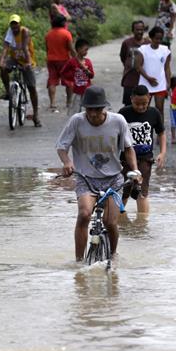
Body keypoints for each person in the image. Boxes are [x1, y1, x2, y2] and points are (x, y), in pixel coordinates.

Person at [56, 86, 141, 262]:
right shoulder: (76, 121)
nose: (93, 114)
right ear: (85, 108)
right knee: (85, 214)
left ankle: (113, 254)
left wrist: (135, 170)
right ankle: (79, 261)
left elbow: (128, 148)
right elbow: (62, 147)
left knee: (110, 222)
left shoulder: (118, 121)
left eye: (97, 109)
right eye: (89, 109)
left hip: (113, 179)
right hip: (85, 178)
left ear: (105, 108)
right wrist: (67, 162)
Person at [119, 85, 166, 214]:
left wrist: (162, 153)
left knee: (142, 191)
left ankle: (142, 225)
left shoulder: (154, 113)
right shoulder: (123, 113)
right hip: (125, 159)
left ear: (149, 99)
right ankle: (117, 221)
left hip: (145, 158)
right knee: (125, 190)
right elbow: (115, 135)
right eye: (137, 104)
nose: (140, 107)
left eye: (144, 103)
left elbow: (161, 133)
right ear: (131, 99)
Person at [0, 14, 40, 126]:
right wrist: (2, 61)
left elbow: (25, 48)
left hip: (26, 59)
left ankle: (36, 115)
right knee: (3, 68)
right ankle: (8, 92)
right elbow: (5, 48)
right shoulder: (9, 34)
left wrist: (28, 63)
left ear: (19, 24)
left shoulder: (24, 32)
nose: (14, 27)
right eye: (12, 25)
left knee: (31, 87)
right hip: (15, 59)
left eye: (16, 24)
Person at [134, 26, 172, 125]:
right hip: (145, 84)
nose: (159, 41)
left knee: (160, 109)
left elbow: (167, 68)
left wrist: (168, 83)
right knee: (144, 108)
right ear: (151, 37)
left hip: (160, 84)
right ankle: (144, 129)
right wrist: (148, 78)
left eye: (161, 38)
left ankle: (160, 132)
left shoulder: (165, 50)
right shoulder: (142, 50)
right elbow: (138, 66)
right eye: (156, 38)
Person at [45, 15, 76, 113]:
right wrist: (77, 59)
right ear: (63, 23)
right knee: (69, 81)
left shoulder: (48, 34)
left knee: (52, 81)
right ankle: (69, 102)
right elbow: (71, 49)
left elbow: (47, 48)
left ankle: (53, 103)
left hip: (51, 60)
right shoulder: (66, 34)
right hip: (64, 60)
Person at [60, 37, 94, 114]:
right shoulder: (72, 62)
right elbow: (63, 72)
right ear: (78, 49)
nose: (86, 52)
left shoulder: (88, 62)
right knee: (75, 111)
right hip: (76, 91)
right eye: (85, 49)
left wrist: (86, 70)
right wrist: (71, 79)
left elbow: (91, 75)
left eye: (87, 50)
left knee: (88, 110)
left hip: (87, 90)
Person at [119, 20, 149, 107]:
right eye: (137, 29)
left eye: (141, 29)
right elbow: (123, 57)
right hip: (130, 78)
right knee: (128, 104)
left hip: (143, 78)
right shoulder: (126, 43)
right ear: (133, 30)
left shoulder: (148, 43)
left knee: (143, 105)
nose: (139, 32)